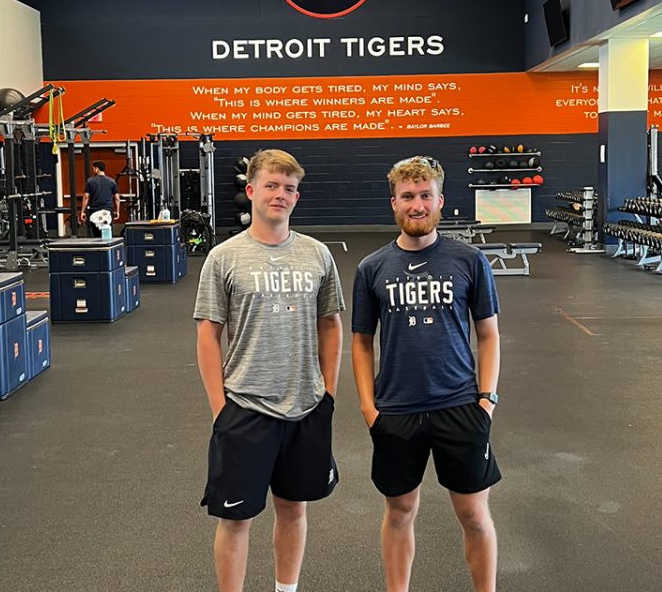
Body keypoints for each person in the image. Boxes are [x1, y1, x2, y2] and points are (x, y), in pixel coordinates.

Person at [194, 149, 344, 592]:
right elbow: (207, 335)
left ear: (297, 196)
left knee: (294, 509)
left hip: (306, 407)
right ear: (251, 191)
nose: (281, 195)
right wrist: (220, 409)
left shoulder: (318, 255)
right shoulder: (224, 257)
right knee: (236, 518)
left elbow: (331, 324)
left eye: (290, 188)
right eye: (272, 185)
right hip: (244, 407)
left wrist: (328, 393)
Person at [351, 156, 501, 592]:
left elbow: (489, 335)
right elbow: (361, 342)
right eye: (407, 197)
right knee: (400, 512)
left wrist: (487, 400)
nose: (416, 205)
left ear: (440, 200)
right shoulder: (372, 268)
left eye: (425, 196)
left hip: (460, 405)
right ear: (393, 203)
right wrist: (368, 406)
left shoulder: (469, 260)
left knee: (474, 515)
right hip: (396, 410)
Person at [79, 160, 121, 237]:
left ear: (97, 169)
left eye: (93, 168)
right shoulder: (112, 181)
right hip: (107, 210)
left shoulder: (90, 181)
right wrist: (117, 211)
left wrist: (83, 211)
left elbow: (86, 197)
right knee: (107, 233)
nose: (93, 170)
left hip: (94, 210)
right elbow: (117, 198)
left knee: (96, 235)